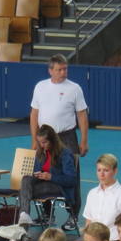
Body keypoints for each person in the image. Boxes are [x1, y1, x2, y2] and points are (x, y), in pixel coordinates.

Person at [29, 54, 90, 223]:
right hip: (44, 137)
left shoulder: (75, 88)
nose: (63, 72)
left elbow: (82, 115)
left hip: (67, 137)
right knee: (43, 172)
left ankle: (72, 215)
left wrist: (84, 140)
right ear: (50, 71)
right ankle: (47, 214)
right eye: (59, 70)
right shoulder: (40, 87)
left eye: (65, 69)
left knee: (71, 174)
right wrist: (34, 139)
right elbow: (34, 114)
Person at [16, 124, 79, 233]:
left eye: (44, 142)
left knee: (24, 192)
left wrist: (51, 177)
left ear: (53, 140)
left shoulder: (65, 154)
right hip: (43, 184)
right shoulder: (40, 152)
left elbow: (72, 180)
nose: (41, 145)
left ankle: (23, 230)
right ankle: (24, 215)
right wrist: (37, 174)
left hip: (59, 187)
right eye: (39, 142)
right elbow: (37, 171)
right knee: (26, 179)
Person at [82, 153, 121, 241]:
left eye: (106, 170)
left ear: (115, 171)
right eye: (99, 170)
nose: (101, 174)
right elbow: (89, 221)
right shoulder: (92, 193)